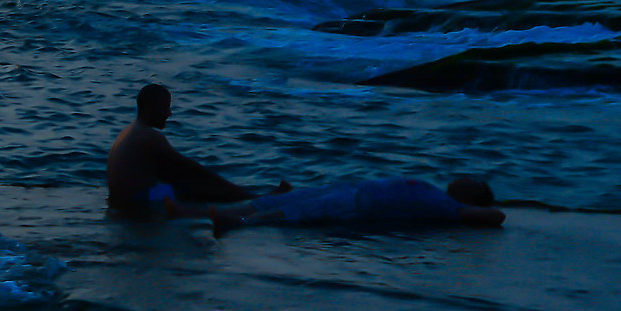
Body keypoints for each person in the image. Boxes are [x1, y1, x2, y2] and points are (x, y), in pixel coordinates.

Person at [106, 83, 277, 217]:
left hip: (121, 200)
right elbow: (190, 168)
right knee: (198, 186)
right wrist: (233, 188)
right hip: (137, 200)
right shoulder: (149, 136)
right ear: (151, 109)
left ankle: (249, 196)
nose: (169, 113)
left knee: (176, 178)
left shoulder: (130, 131)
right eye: (165, 108)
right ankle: (255, 199)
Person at [208, 177, 506, 237]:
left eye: (475, 182)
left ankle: (235, 224)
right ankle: (190, 213)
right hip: (354, 191)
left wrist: (476, 208)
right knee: (285, 200)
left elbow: (496, 215)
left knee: (297, 211)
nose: (468, 177)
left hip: (363, 204)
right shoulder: (441, 197)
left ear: (472, 196)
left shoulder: (452, 208)